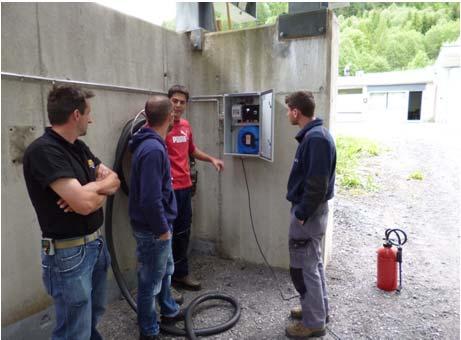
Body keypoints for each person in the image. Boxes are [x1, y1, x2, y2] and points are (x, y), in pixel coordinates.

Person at [23, 85, 120, 340]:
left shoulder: (79, 147)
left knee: (94, 312)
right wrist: (95, 193)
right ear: (76, 115)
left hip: (95, 245)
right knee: (73, 328)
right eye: (89, 113)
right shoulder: (44, 151)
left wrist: (88, 190)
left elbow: (115, 180)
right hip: (68, 253)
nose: (92, 118)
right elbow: (86, 204)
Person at [129, 95, 183, 340]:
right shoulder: (152, 149)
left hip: (160, 225)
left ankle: (169, 311)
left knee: (166, 270)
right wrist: (162, 229)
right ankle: (149, 330)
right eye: (174, 112)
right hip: (153, 230)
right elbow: (150, 199)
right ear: (170, 115)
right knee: (150, 282)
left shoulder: (154, 143)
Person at [284, 91, 336, 339]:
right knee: (312, 263)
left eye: (288, 110)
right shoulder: (316, 136)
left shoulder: (315, 139)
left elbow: (317, 184)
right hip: (312, 212)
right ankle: (317, 310)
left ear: (296, 111)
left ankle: (313, 322)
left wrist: (302, 213)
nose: (287, 114)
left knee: (303, 268)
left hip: (309, 213)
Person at [166, 85, 224, 291]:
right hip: (167, 191)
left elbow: (192, 150)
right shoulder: (160, 127)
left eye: (182, 102)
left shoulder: (185, 126)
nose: (178, 105)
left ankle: (181, 274)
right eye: (175, 100)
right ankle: (166, 282)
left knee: (183, 232)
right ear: (168, 101)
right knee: (166, 235)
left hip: (185, 187)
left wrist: (211, 159)